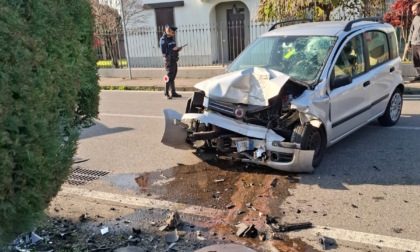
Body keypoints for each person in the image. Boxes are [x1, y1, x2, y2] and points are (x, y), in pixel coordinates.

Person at [160, 24, 182, 99]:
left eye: (174, 32)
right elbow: (163, 51)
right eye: (172, 32)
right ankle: (166, 93)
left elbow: (173, 48)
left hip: (174, 59)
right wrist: (173, 49)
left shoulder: (171, 39)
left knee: (173, 75)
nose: (174, 33)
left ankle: (173, 92)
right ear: (168, 31)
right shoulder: (163, 39)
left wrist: (177, 49)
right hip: (168, 60)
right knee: (169, 76)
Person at [407, 2, 420, 82]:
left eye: (415, 10)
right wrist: (408, 43)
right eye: (412, 11)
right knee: (416, 61)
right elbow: (411, 31)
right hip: (414, 43)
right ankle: (418, 76)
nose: (413, 12)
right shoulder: (415, 19)